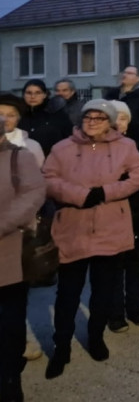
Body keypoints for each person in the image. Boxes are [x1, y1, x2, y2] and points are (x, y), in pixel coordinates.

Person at [42, 100, 139, 379]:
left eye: (101, 117)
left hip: (110, 227)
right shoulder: (63, 147)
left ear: (110, 121)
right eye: (89, 116)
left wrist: (106, 192)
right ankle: (61, 346)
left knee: (103, 291)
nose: (93, 121)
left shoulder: (125, 146)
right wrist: (79, 195)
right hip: (73, 229)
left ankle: (96, 336)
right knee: (68, 293)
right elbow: (48, 179)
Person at [0, 120, 46, 401]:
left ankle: (9, 381)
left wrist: (2, 224)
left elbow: (33, 193)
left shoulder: (20, 157)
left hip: (11, 252)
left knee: (10, 322)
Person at [106, 100, 139, 333]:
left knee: (137, 262)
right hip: (111, 214)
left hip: (137, 213)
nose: (117, 122)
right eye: (113, 117)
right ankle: (115, 314)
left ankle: (135, 309)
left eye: (122, 117)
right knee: (114, 265)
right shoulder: (99, 148)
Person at [103, 66, 139, 150]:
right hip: (109, 140)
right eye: (124, 72)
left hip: (135, 142)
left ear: (138, 78)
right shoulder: (112, 94)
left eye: (129, 73)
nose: (125, 75)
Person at [19, 79, 72, 156]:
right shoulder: (17, 114)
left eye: (38, 93)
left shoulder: (56, 114)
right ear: (23, 95)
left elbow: (68, 139)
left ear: (44, 95)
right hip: (22, 161)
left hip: (51, 160)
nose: (33, 96)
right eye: (29, 93)